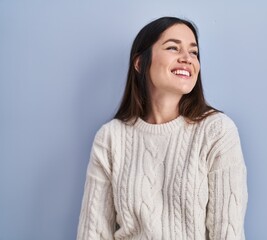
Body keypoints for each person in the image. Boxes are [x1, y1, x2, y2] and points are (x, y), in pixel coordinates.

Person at [77, 16, 248, 240]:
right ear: (140, 63)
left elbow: (227, 234)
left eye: (194, 52)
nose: (187, 59)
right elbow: (92, 233)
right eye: (173, 48)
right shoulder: (110, 137)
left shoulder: (216, 131)